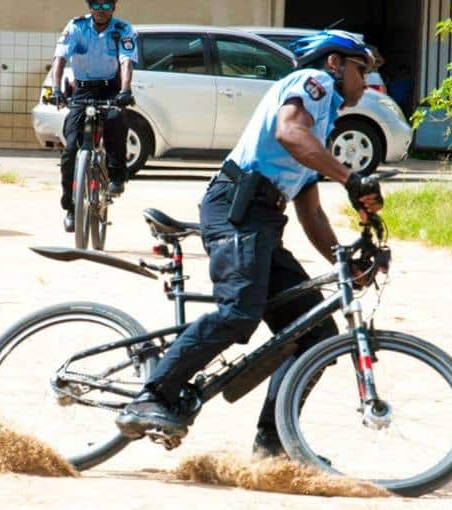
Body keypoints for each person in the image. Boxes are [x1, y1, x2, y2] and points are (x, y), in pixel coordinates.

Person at [116, 31, 384, 456]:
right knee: (239, 311)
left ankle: (273, 446)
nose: (366, 81)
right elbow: (288, 133)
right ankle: (151, 395)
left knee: (315, 334)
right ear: (335, 63)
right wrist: (350, 178)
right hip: (236, 208)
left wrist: (343, 261)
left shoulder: (322, 122)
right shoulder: (313, 84)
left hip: (262, 221)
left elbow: (310, 211)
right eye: (361, 69)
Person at [50, 0, 138, 233]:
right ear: (89, 6)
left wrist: (125, 90)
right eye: (96, 3)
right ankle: (71, 207)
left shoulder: (123, 29)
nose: (101, 9)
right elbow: (60, 58)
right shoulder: (76, 26)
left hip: (111, 87)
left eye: (107, 4)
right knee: (70, 149)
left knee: (116, 121)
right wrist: (56, 89)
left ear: (114, 7)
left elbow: (126, 61)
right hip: (82, 89)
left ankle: (117, 176)